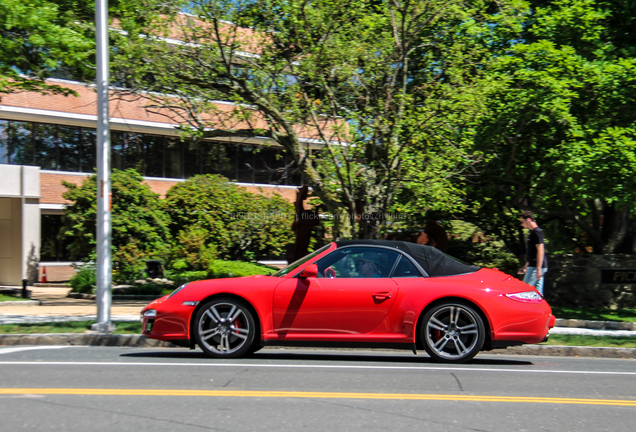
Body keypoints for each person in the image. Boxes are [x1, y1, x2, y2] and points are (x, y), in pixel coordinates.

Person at [517, 211, 548, 295]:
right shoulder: (532, 233)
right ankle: (541, 308)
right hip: (534, 266)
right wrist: (525, 266)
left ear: (528, 220)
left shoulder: (537, 232)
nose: (521, 224)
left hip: (536, 267)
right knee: (538, 293)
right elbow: (532, 253)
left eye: (522, 222)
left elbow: (541, 250)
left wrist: (538, 269)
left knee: (524, 290)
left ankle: (522, 308)